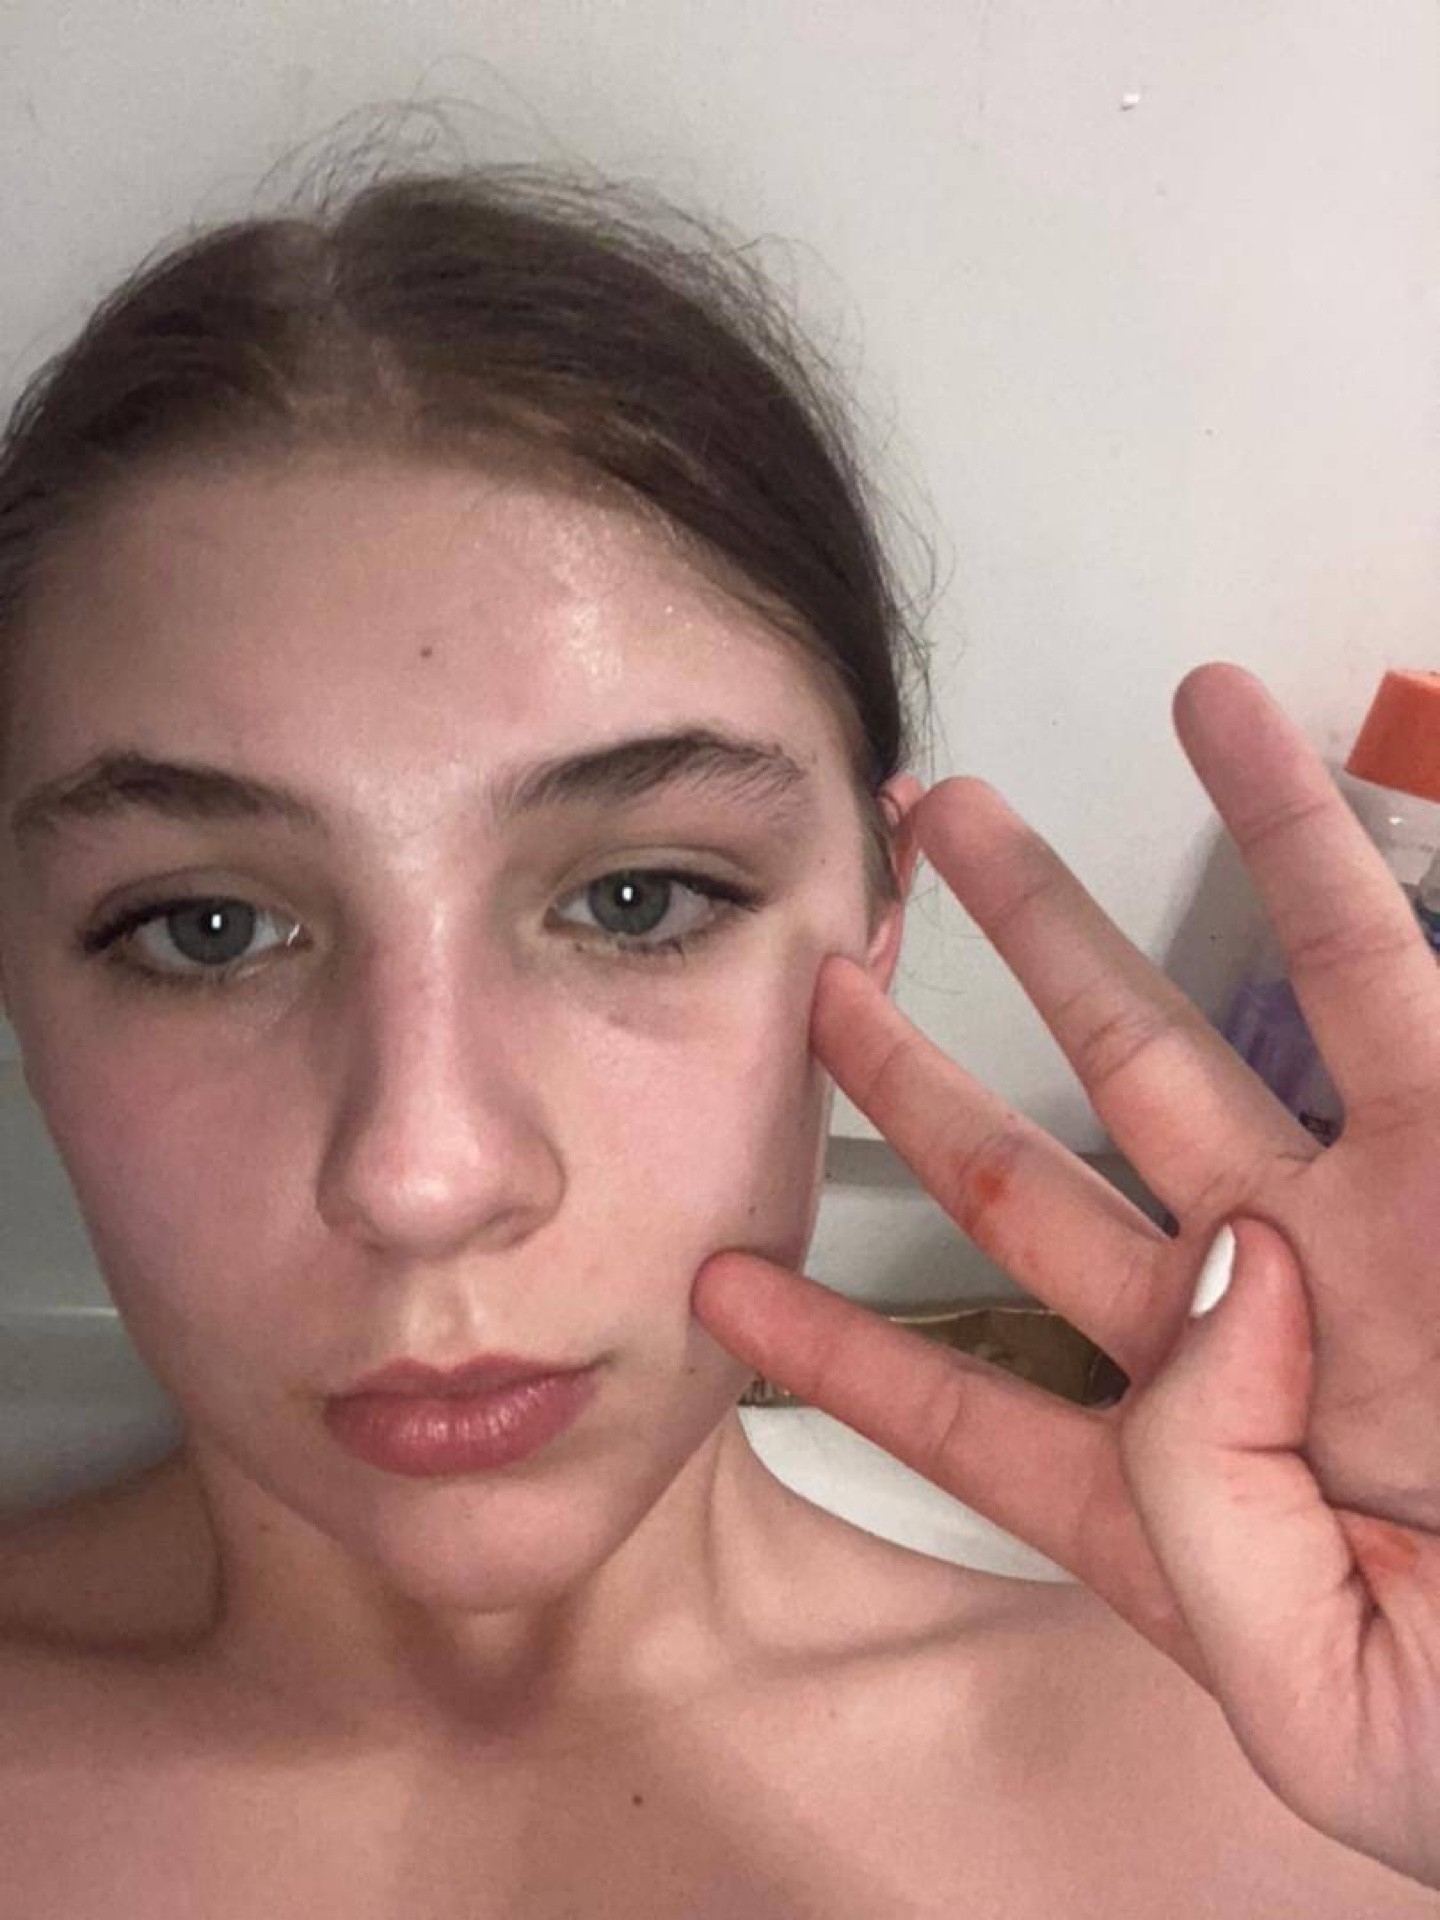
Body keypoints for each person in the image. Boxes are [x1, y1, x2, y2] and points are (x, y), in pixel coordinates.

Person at [0, 157, 1434, 1918]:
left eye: (637, 901)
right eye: (204, 929)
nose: (426, 1177)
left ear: (877, 927)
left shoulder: (1308, 1803)